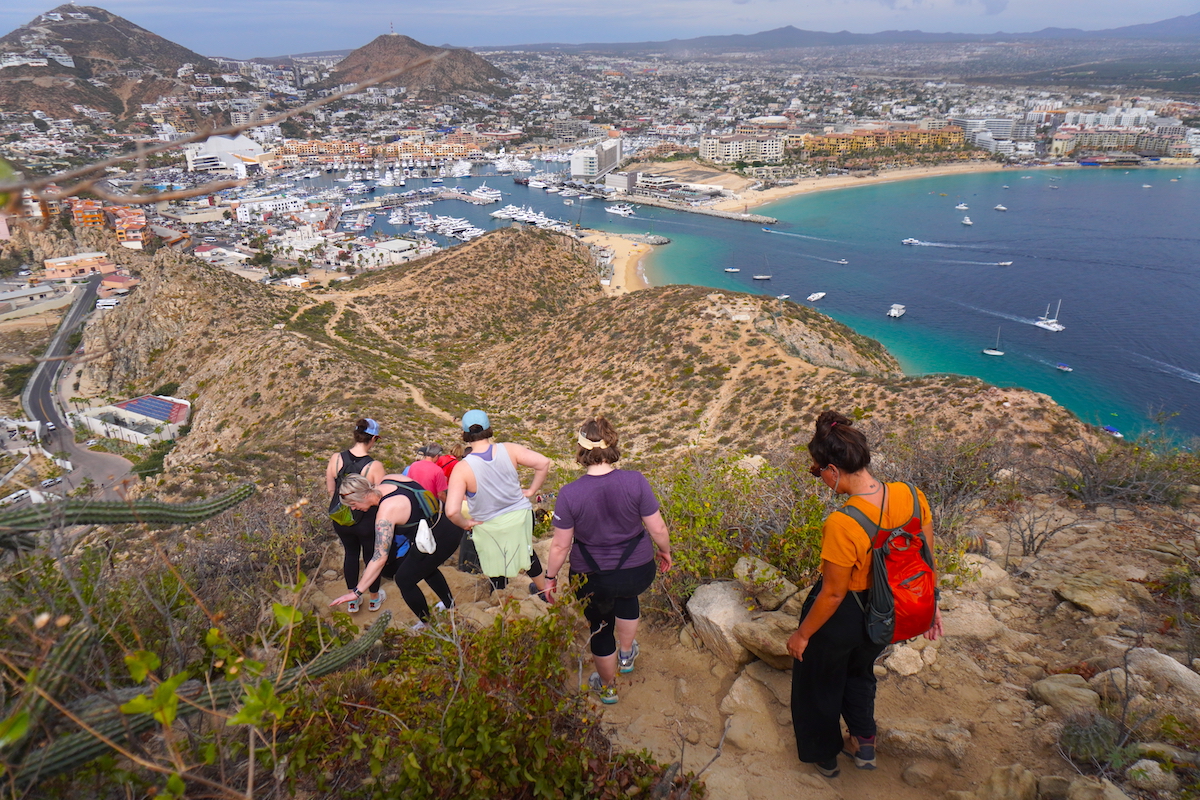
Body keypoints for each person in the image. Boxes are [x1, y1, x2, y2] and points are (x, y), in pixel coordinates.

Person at [787, 411, 942, 778]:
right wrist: (933, 605)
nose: (820, 479)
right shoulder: (912, 495)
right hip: (888, 612)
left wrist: (802, 634)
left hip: (846, 616)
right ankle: (863, 741)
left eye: (816, 472)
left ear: (832, 470)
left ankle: (825, 756)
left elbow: (833, 594)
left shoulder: (843, 522)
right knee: (860, 673)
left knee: (818, 681)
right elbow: (928, 558)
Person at [544, 416, 672, 705]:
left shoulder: (570, 494)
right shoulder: (635, 481)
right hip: (637, 570)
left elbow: (561, 545)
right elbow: (657, 528)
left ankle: (608, 686)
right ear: (612, 443)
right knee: (626, 596)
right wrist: (664, 551)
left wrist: (550, 577)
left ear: (581, 450)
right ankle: (626, 655)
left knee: (600, 625)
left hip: (593, 577)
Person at [328, 472, 461, 626]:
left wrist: (357, 591)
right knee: (424, 568)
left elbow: (379, 557)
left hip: (441, 538)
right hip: (446, 522)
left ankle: (427, 624)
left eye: (352, 504)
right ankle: (449, 605)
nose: (354, 508)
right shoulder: (391, 479)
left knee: (404, 580)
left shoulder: (386, 512)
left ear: (361, 497)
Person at [446, 409, 551, 596]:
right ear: (488, 428)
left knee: (495, 560)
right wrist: (532, 490)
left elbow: (452, 511)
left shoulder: (462, 468)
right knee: (527, 552)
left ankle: (500, 597)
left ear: (465, 434)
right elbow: (543, 463)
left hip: (488, 523)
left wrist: (467, 524)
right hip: (519, 516)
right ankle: (545, 592)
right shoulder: (509, 449)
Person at [325, 418, 387, 612]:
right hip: (366, 520)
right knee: (371, 555)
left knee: (350, 554)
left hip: (341, 517)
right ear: (374, 438)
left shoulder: (336, 458)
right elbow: (380, 496)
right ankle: (374, 597)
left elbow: (330, 489)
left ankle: (352, 600)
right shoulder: (374, 466)